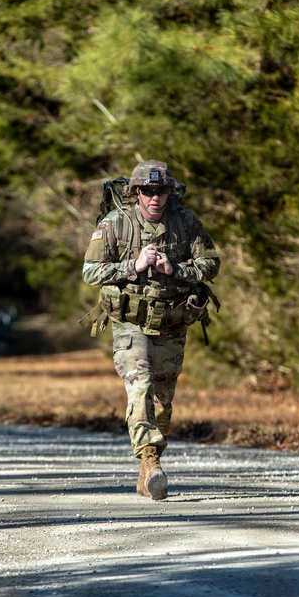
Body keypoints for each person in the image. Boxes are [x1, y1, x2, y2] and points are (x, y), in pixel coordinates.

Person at [82, 160, 220, 500]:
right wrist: (134, 265)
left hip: (172, 322)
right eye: (147, 191)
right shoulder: (115, 224)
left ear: (169, 193)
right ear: (136, 193)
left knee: (163, 399)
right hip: (130, 323)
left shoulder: (185, 223)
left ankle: (149, 467)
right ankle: (149, 458)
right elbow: (90, 271)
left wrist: (175, 268)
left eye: (161, 191)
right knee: (139, 383)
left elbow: (211, 264)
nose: (154, 197)